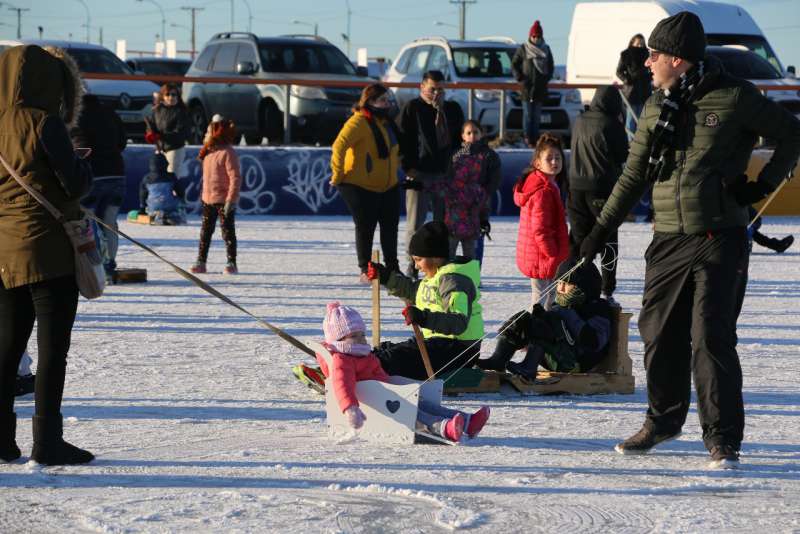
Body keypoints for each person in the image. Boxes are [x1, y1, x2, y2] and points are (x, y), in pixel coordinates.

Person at [579, 11, 800, 467]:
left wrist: (759, 189)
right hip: (668, 238)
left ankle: (722, 438)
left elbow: (792, 135)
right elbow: (634, 175)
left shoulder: (736, 97)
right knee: (658, 332)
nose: (646, 63)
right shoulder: (657, 107)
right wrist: (600, 230)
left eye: (653, 55)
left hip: (721, 235)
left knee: (710, 337)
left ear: (677, 59)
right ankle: (663, 419)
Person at [0, 44, 95, 465]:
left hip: (5, 254)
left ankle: (2, 439)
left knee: (6, 350)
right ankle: (47, 441)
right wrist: (80, 164)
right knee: (53, 350)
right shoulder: (44, 123)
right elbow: (74, 185)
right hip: (50, 254)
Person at [316, 302, 490, 442]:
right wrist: (350, 408)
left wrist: (399, 388)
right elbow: (341, 385)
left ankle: (468, 422)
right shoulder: (342, 360)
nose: (361, 339)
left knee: (425, 404)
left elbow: (381, 375)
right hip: (374, 403)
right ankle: (443, 428)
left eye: (362, 334)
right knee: (415, 412)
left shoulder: (363, 355)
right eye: (354, 336)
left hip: (388, 394)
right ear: (338, 339)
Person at [367, 221, 484, 381]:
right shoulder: (434, 277)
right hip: (437, 344)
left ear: (436, 257)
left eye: (419, 260)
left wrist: (423, 317)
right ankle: (352, 363)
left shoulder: (454, 281)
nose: (416, 266)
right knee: (386, 349)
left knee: (396, 357)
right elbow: (412, 291)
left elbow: (458, 322)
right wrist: (386, 277)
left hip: (459, 349)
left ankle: (361, 371)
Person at [478, 259, 613, 379]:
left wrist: (565, 315)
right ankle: (498, 361)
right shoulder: (561, 305)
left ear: (584, 287)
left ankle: (529, 367)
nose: (560, 289)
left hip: (576, 362)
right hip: (556, 356)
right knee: (524, 318)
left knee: (549, 321)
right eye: (559, 284)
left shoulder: (597, 309)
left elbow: (594, 342)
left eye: (566, 285)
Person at [330, 83, 401, 283]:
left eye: (387, 99)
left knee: (390, 227)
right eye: (382, 100)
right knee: (365, 226)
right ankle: (365, 268)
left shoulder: (385, 122)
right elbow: (339, 146)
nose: (386, 103)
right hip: (360, 185)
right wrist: (338, 175)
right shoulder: (359, 122)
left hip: (388, 185)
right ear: (369, 101)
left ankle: (392, 268)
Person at [399, 70, 464, 279]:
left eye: (440, 89)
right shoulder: (413, 108)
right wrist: (408, 167)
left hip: (445, 175)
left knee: (442, 225)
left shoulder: (452, 109)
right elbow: (402, 140)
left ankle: (440, 267)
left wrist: (456, 164)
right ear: (422, 87)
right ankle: (412, 265)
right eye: (432, 89)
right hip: (419, 174)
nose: (436, 93)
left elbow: (460, 142)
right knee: (415, 225)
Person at [567, 86, 629, 302]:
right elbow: (622, 155)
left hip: (575, 187)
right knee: (608, 236)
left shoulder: (580, 120)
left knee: (577, 239)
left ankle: (570, 284)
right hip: (602, 187)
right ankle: (607, 288)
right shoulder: (611, 123)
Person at [70, 91, 128, 282]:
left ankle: (95, 266)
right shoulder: (110, 112)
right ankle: (109, 264)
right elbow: (122, 142)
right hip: (116, 173)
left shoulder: (74, 116)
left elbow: (70, 147)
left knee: (89, 221)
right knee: (109, 222)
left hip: (91, 175)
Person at [431, 120, 501, 260]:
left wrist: (482, 196)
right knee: (450, 246)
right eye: (468, 133)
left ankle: (474, 276)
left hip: (478, 206)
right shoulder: (456, 155)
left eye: (476, 132)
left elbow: (494, 180)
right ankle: (448, 275)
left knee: (473, 248)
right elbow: (447, 179)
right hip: (455, 209)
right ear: (462, 135)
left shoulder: (489, 155)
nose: (472, 136)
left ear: (481, 134)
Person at [514, 134, 569, 310]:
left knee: (548, 298)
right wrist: (552, 253)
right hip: (542, 256)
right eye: (549, 158)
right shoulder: (543, 191)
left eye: (558, 158)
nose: (554, 162)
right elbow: (540, 229)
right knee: (542, 301)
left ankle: (543, 332)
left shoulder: (547, 184)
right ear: (537, 163)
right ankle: (536, 333)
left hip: (539, 255)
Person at [190, 118, 242, 275]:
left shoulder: (228, 153)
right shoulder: (208, 151)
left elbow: (235, 178)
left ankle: (231, 261)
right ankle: (201, 260)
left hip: (224, 200)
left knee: (227, 231)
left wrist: (231, 200)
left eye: (208, 132)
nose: (205, 135)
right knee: (205, 231)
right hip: (208, 199)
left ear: (217, 134)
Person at [512, 20, 554, 147]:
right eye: (534, 36)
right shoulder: (523, 49)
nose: (536, 39)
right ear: (530, 36)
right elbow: (514, 63)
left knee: (536, 116)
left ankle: (535, 140)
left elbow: (551, 66)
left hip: (540, 88)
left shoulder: (546, 49)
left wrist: (547, 77)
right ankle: (527, 138)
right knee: (528, 115)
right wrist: (520, 77)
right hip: (527, 88)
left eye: (538, 36)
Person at [146, 83, 190, 174]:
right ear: (163, 96)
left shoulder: (181, 112)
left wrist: (161, 136)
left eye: (174, 94)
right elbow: (151, 126)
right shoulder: (157, 110)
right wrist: (150, 134)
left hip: (175, 149)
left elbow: (180, 133)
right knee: (159, 175)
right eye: (168, 94)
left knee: (171, 176)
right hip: (160, 148)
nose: (171, 97)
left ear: (178, 96)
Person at [616, 33, 652, 137]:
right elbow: (619, 71)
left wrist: (649, 76)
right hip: (631, 91)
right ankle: (630, 142)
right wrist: (627, 80)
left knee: (643, 119)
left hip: (644, 90)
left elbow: (652, 70)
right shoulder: (626, 55)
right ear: (632, 43)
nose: (640, 46)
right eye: (638, 43)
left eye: (642, 43)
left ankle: (640, 142)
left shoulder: (647, 55)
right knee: (631, 119)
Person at [139, 152, 186, 225]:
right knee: (176, 203)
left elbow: (143, 194)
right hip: (169, 204)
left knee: (151, 204)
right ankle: (172, 215)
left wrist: (142, 207)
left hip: (153, 205)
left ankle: (156, 215)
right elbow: (180, 191)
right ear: (166, 163)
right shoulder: (171, 176)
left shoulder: (147, 178)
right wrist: (181, 199)